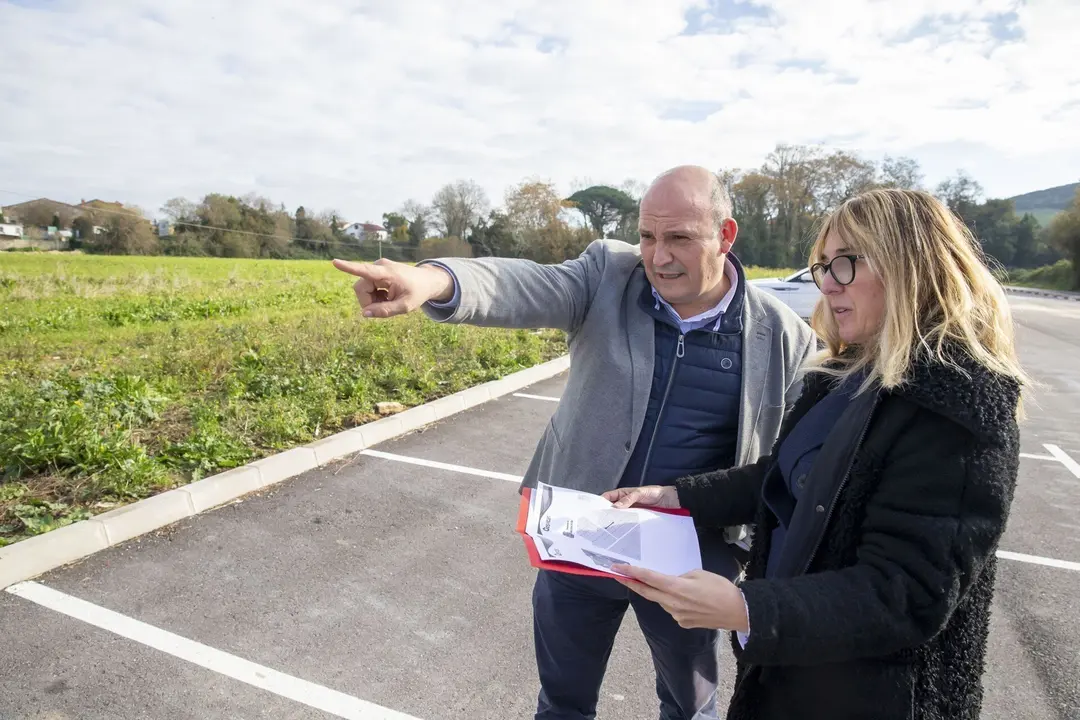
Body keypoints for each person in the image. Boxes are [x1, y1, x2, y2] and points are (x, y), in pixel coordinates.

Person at [333, 165, 816, 720]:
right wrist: (434, 282)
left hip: (692, 562)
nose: (658, 257)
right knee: (563, 703)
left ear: (725, 236)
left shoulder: (782, 335)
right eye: (649, 236)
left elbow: (795, 462)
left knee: (691, 708)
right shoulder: (607, 276)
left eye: (679, 237)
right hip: (580, 539)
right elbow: (522, 285)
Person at [603, 188, 1029, 720]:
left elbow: (905, 592)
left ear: (910, 266)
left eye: (847, 263)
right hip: (792, 677)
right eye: (823, 265)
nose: (827, 283)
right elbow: (779, 477)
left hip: (875, 698)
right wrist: (672, 496)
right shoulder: (844, 374)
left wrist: (744, 608)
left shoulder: (959, 404)